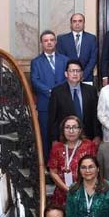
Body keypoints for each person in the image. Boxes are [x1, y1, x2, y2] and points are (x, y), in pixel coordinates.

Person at [30, 30, 68, 158]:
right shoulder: (36, 62)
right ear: (41, 43)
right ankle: (46, 165)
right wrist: (50, 91)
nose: (49, 43)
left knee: (64, 134)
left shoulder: (65, 60)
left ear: (56, 42)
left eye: (51, 40)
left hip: (63, 103)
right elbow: (35, 81)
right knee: (45, 135)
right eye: (46, 41)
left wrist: (58, 92)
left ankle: (64, 163)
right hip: (45, 105)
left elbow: (68, 79)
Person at [47, 115, 98, 207]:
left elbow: (94, 169)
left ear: (80, 130)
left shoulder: (89, 145)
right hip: (62, 194)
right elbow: (53, 172)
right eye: (67, 127)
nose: (71, 131)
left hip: (85, 192)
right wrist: (66, 189)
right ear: (63, 130)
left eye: (74, 127)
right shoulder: (57, 148)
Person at [47, 60, 102, 144]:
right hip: (65, 140)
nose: (75, 74)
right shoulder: (57, 92)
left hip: (88, 139)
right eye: (72, 71)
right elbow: (53, 119)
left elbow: (95, 116)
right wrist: (54, 140)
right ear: (66, 74)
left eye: (78, 71)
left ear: (81, 74)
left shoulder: (91, 91)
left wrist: (97, 136)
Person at [57, 13, 98, 83]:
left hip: (86, 78)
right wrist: (72, 74)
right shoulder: (62, 39)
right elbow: (61, 59)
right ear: (71, 24)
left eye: (80, 21)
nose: (77, 23)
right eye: (74, 21)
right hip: (68, 79)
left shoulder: (91, 38)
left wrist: (83, 75)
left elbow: (93, 59)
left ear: (84, 23)